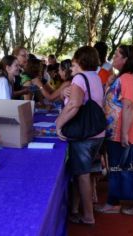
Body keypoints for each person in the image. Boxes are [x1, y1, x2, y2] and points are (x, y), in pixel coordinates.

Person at [97, 45, 133, 216]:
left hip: (121, 133)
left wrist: (124, 134)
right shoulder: (127, 78)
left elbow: (127, 106)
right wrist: (110, 84)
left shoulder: (127, 78)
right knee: (129, 167)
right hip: (123, 131)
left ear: (126, 59)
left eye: (117, 55)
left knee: (116, 168)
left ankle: (113, 203)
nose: (114, 58)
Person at [55, 46, 105, 225]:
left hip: (84, 135)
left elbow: (74, 105)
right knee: (85, 172)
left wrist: (58, 124)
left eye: (74, 63)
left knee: (82, 175)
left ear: (81, 61)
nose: (72, 67)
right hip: (97, 133)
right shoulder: (96, 77)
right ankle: (76, 209)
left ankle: (88, 216)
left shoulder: (79, 78)